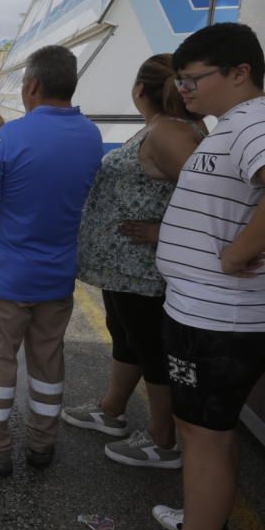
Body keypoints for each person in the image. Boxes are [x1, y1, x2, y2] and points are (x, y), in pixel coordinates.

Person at [124, 22, 265, 530]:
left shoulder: (253, 122)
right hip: (204, 313)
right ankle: (206, 528)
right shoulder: (233, 124)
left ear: (240, 72)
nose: (182, 91)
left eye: (192, 79)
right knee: (212, 434)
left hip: (217, 321)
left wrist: (239, 251)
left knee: (203, 439)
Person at [0, 45, 103, 476]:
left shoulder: (11, 138)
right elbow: (47, 168)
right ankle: (42, 444)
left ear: (32, 85)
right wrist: (0, 135)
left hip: (7, 281)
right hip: (57, 279)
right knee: (48, 362)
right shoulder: (90, 136)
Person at [65, 55, 205, 469]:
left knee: (151, 349)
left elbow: (213, 199)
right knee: (126, 337)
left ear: (139, 90)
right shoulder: (163, 128)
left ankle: (163, 441)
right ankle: (111, 411)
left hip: (141, 269)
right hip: (124, 269)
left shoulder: (170, 133)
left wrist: (163, 233)